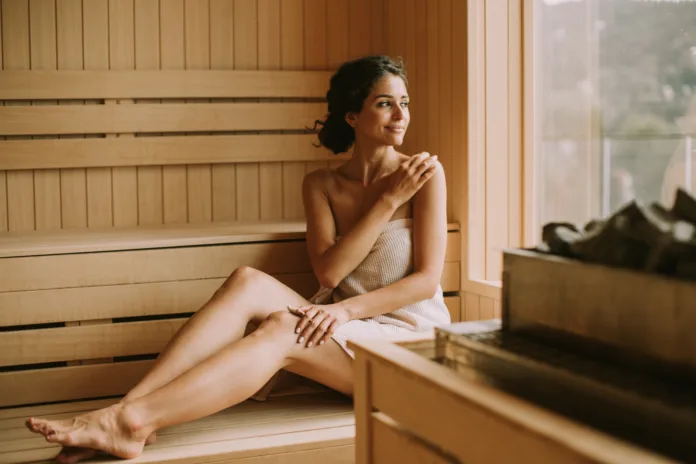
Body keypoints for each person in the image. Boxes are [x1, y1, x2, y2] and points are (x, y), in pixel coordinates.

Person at [25, 55, 451, 462]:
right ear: (352, 117)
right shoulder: (322, 184)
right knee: (248, 280)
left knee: (287, 326)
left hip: (408, 347)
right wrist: (388, 201)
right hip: (343, 328)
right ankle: (128, 414)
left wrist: (342, 311)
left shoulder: (425, 175)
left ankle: (130, 421)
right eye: (385, 103)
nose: (401, 114)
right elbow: (330, 270)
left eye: (405, 102)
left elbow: (426, 280)